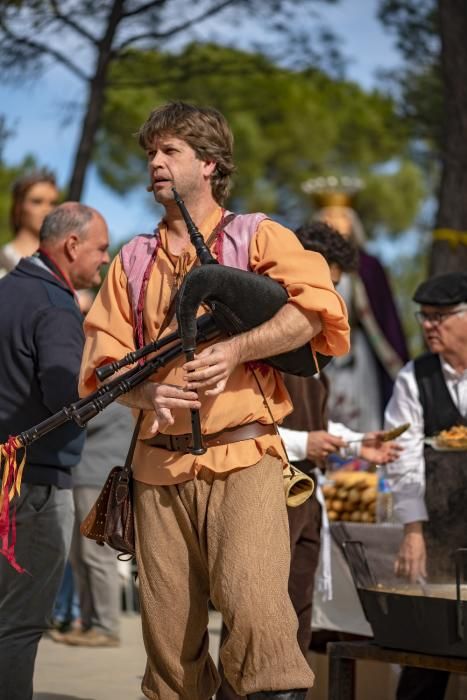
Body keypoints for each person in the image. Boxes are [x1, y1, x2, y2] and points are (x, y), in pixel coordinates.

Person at [79, 101, 350, 700]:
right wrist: (148, 391)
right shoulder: (131, 259)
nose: (154, 162)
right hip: (156, 471)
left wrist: (238, 350)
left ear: (208, 164)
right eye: (150, 151)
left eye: (169, 151)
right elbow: (101, 364)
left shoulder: (259, 236)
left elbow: (316, 311)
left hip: (245, 459)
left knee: (260, 624)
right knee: (170, 650)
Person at [216, 222, 402, 700]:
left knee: (297, 614)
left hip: (305, 498)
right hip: (261, 494)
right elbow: (236, 424)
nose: (331, 300)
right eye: (327, 286)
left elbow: (313, 423)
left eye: (336, 288)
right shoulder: (251, 341)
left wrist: (359, 444)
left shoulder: (314, 349)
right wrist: (304, 445)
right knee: (254, 621)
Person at [0, 202, 110, 700]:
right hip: (34, 487)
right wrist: (120, 384)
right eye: (102, 249)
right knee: (19, 625)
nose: (106, 260)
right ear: (72, 246)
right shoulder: (54, 305)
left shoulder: (8, 292)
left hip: (12, 478)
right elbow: (68, 398)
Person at [384, 272, 467, 700]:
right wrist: (413, 531)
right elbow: (403, 457)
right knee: (428, 654)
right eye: (424, 316)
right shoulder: (414, 378)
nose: (429, 325)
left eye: (440, 316)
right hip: (440, 535)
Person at [310, 184, 409, 431]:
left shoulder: (368, 266)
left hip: (357, 350)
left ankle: (364, 465)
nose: (335, 222)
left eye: (342, 216)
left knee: (362, 413)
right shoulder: (307, 263)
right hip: (317, 346)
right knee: (320, 411)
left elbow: (385, 315)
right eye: (329, 215)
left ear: (353, 222)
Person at [52, 402, 135, 647]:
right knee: (79, 556)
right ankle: (88, 624)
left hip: (99, 477)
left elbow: (80, 418)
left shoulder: (118, 396)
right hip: (81, 475)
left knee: (97, 556)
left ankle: (106, 627)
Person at [0, 169, 59, 277]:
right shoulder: (2, 261)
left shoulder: (62, 266)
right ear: (18, 207)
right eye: (37, 201)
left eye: (53, 203)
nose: (47, 210)